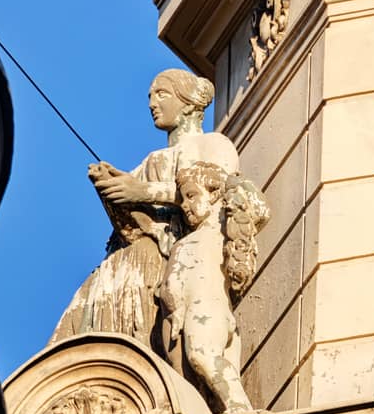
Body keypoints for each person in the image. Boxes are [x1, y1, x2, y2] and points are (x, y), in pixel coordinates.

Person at [53, 70, 240, 345]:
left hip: (166, 262)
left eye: (161, 94)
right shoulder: (150, 161)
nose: (152, 103)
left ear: (188, 102)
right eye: (150, 96)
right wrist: (111, 189)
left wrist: (140, 191)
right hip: (124, 264)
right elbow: (131, 228)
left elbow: (209, 191)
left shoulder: (211, 144)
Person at [160, 162, 268, 413]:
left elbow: (261, 210)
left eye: (191, 195)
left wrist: (232, 182)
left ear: (213, 194)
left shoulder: (221, 229)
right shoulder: (194, 237)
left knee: (203, 356)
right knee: (206, 378)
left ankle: (240, 412)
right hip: (199, 316)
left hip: (206, 310)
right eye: (183, 199)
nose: (185, 205)